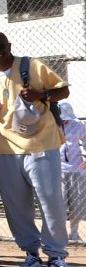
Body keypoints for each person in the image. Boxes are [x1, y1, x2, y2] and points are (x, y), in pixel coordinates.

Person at [0, 31, 80, 267]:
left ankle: (56, 258)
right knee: (16, 207)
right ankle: (31, 256)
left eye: (0, 46)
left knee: (51, 202)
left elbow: (62, 91)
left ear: (9, 45)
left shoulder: (32, 65)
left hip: (41, 144)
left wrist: (40, 95)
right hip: (5, 149)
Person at [58, 102, 86, 241]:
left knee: (77, 202)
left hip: (77, 168)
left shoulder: (78, 124)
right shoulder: (52, 125)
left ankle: (74, 233)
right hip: (58, 169)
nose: (64, 120)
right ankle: (61, 234)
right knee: (60, 203)